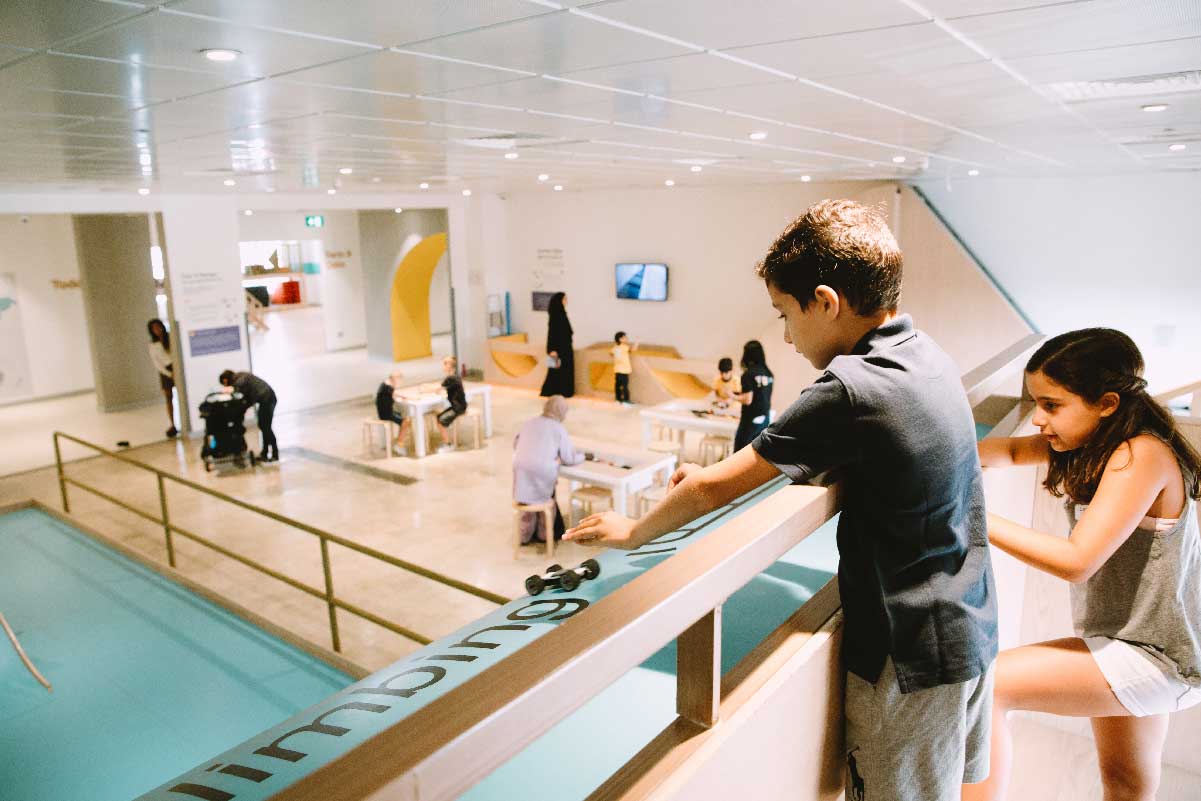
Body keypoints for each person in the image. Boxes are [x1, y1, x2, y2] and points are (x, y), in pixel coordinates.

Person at [566, 199, 996, 801]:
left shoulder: (851, 386)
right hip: (967, 623)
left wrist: (633, 531)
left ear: (825, 301)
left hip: (908, 656)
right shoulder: (926, 355)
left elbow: (717, 485)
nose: (787, 337)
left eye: (785, 314)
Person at [964, 328, 1201, 801]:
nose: (1037, 419)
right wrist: (925, 460)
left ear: (1107, 403)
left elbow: (1076, 562)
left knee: (988, 688)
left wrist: (968, 518)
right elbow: (1008, 451)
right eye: (1036, 403)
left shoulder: (1141, 454)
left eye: (1052, 405)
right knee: (1126, 782)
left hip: (1155, 654)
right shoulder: (1089, 444)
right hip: (1131, 641)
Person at [513, 395, 585, 543]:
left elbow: (516, 444)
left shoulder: (529, 422)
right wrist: (582, 456)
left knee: (527, 500)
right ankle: (545, 535)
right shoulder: (558, 428)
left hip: (520, 470)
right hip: (541, 472)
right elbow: (569, 458)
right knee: (547, 499)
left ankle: (524, 536)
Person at [218, 369, 278, 462]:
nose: (228, 386)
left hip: (267, 399)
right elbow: (248, 398)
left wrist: (239, 410)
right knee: (263, 426)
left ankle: (275, 454)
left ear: (226, 380)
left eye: (225, 384)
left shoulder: (239, 381)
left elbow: (244, 398)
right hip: (267, 398)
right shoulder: (241, 376)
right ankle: (265, 453)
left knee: (265, 427)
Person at [733, 340, 773, 450]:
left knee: (739, 453)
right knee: (756, 453)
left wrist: (732, 396)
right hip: (765, 418)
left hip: (750, 419)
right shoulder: (768, 373)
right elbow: (760, 394)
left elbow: (747, 400)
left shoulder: (748, 374)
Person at [146, 318, 177, 438]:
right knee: (169, 397)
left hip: (175, 367)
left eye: (158, 327)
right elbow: (157, 363)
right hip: (165, 371)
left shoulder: (170, 338)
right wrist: (169, 374)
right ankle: (172, 424)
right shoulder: (153, 345)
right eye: (154, 328)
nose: (157, 330)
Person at [540, 292, 574, 398]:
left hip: (565, 348)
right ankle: (551, 391)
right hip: (556, 349)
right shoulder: (555, 315)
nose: (566, 301)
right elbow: (552, 334)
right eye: (564, 299)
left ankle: (563, 391)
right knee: (553, 370)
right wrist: (552, 350)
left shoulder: (562, 314)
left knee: (562, 370)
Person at [374, 371, 412, 457]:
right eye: (399, 381)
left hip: (386, 411)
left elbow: (392, 394)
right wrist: (409, 397)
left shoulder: (384, 385)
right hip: (386, 414)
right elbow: (396, 393)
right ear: (395, 379)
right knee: (406, 421)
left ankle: (399, 440)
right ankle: (399, 444)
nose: (399, 383)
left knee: (404, 417)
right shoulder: (388, 386)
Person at [435, 356, 468, 453]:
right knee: (439, 418)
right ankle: (446, 441)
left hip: (458, 408)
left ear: (450, 366)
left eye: (445, 363)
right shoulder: (453, 377)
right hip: (457, 406)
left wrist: (425, 388)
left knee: (441, 421)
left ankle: (448, 444)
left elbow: (438, 388)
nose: (443, 365)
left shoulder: (451, 378)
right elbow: (442, 387)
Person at [611, 330, 638, 405]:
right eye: (625, 337)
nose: (626, 339)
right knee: (625, 386)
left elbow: (611, 353)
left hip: (617, 370)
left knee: (618, 385)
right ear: (620, 339)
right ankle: (626, 400)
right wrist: (637, 343)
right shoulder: (624, 347)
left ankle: (618, 399)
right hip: (624, 370)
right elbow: (633, 349)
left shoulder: (615, 347)